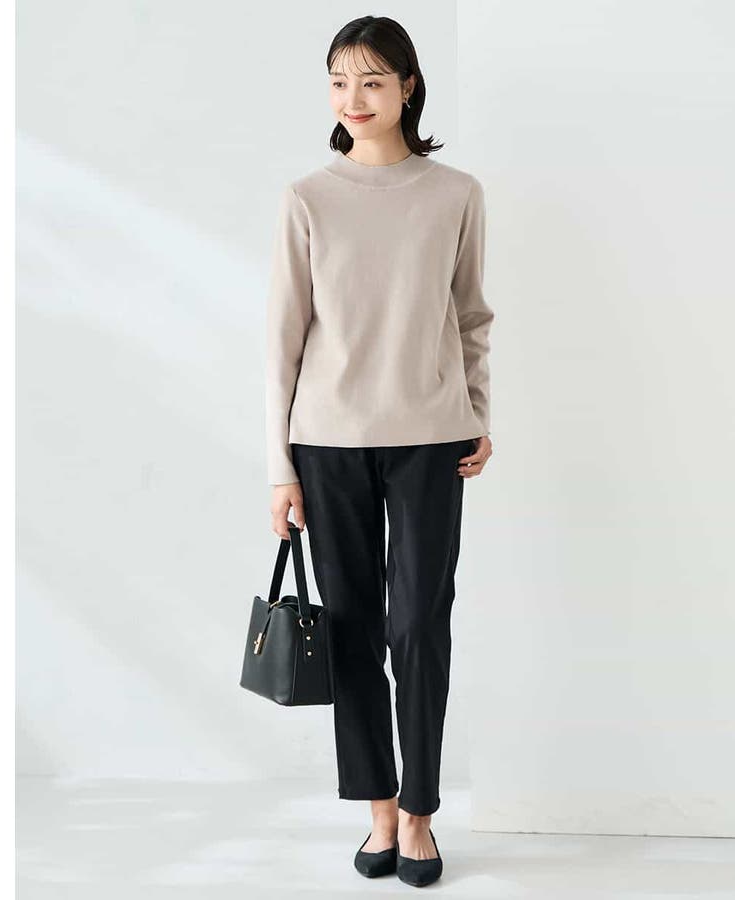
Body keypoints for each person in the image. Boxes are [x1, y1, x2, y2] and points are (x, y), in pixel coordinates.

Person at [264, 15, 494, 888]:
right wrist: (280, 467)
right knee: (354, 626)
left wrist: (478, 412)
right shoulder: (307, 198)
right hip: (327, 442)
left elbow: (471, 315)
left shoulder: (455, 193)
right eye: (338, 81)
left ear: (407, 86)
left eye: (370, 81)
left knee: (419, 624)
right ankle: (380, 812)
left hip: (432, 438)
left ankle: (424, 814)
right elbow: (283, 341)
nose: (352, 98)